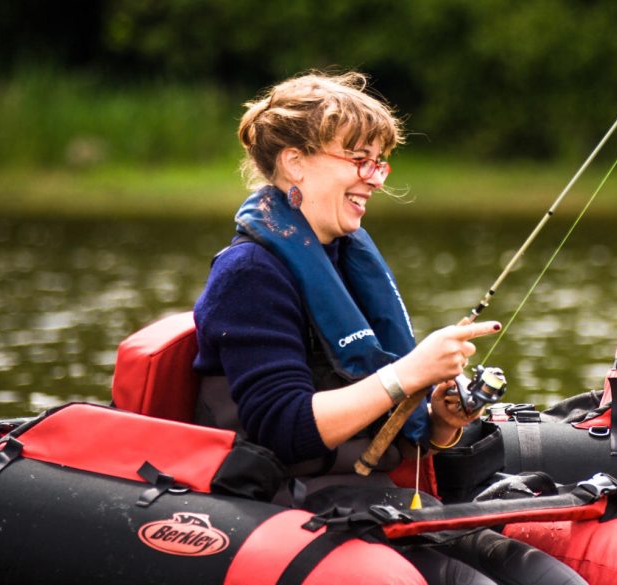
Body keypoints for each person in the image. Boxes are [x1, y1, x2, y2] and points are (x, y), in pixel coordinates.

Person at [191, 71, 586, 585]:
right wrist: (407, 373)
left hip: (378, 501)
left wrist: (442, 420)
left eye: (379, 162)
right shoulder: (248, 273)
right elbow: (284, 430)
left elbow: (383, 412)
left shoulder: (342, 259)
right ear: (295, 162)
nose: (376, 179)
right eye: (359, 159)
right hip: (292, 509)